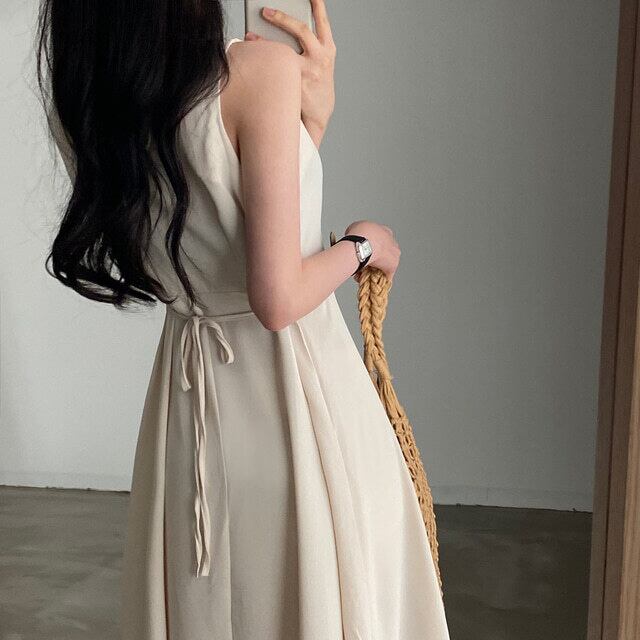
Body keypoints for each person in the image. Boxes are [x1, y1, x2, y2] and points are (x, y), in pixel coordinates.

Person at [36, 1, 450, 638]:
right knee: (315, 595)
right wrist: (364, 246)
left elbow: (215, 209)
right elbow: (277, 299)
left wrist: (310, 123)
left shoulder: (91, 98)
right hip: (294, 398)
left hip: (189, 398)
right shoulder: (257, 70)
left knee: (213, 602)